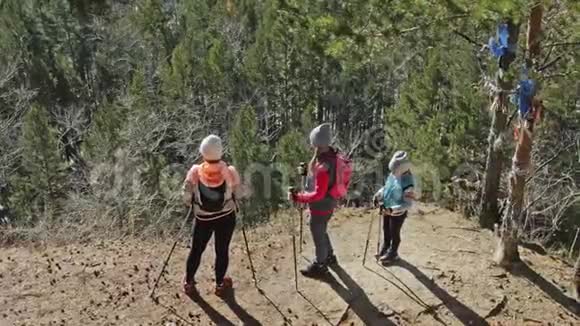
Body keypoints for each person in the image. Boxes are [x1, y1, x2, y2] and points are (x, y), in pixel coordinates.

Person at [181, 134, 244, 296]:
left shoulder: (195, 171)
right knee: (221, 250)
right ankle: (220, 284)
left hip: (203, 218)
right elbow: (239, 194)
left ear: (203, 152)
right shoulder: (230, 171)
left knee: (196, 250)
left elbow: (186, 197)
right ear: (220, 152)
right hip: (226, 217)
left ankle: (189, 282)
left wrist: (194, 204)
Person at [288, 123, 339, 278]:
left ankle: (320, 265)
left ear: (316, 142)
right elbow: (319, 182)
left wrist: (298, 197)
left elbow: (318, 194)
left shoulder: (323, 165)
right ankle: (329, 256)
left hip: (320, 206)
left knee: (318, 235)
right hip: (329, 203)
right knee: (322, 230)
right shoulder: (333, 155)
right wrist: (307, 174)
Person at [373, 151, 416, 264]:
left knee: (394, 232)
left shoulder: (408, 182)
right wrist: (378, 194)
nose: (392, 172)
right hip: (387, 207)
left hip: (397, 213)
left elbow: (408, 203)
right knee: (386, 229)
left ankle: (393, 253)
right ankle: (386, 247)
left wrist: (393, 209)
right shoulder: (394, 174)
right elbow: (387, 187)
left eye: (394, 170)